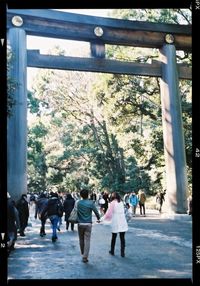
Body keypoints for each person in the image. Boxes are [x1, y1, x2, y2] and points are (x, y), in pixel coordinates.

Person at [101, 192, 128, 257]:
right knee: (122, 238)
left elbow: (108, 213)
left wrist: (102, 219)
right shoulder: (121, 202)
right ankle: (122, 253)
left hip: (116, 220)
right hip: (122, 220)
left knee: (114, 237)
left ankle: (112, 251)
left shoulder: (112, 203)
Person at [77, 189, 101, 263]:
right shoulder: (91, 203)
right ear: (88, 195)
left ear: (81, 195)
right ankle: (85, 256)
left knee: (81, 239)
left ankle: (82, 253)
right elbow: (96, 212)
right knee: (87, 240)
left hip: (80, 223)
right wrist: (99, 219)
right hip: (88, 224)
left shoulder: (78, 203)